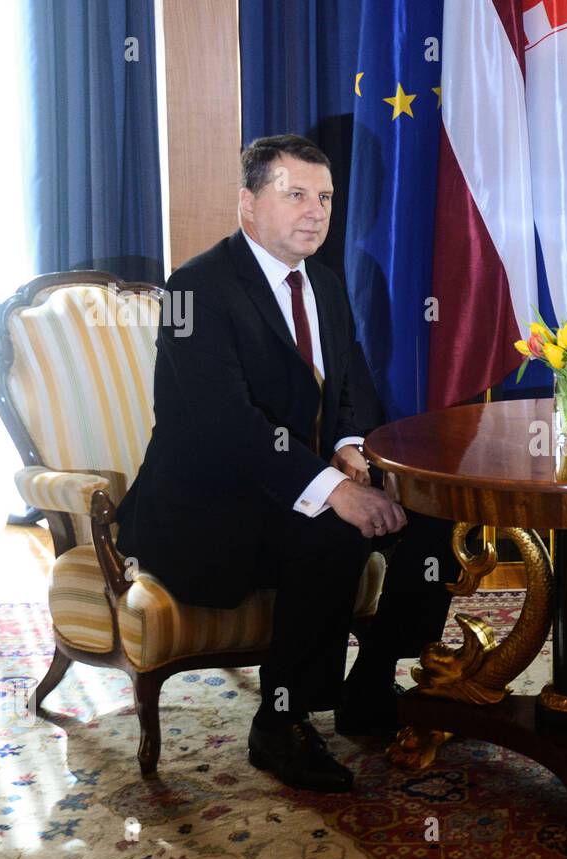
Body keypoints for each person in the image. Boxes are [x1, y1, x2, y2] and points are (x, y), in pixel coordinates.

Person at [116, 134, 459, 793]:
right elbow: (226, 425)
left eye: (325, 197)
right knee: (335, 529)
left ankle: (371, 682)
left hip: (293, 487)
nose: (315, 211)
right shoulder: (192, 290)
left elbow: (352, 389)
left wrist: (351, 448)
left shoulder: (325, 285)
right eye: (295, 194)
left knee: (434, 523)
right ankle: (280, 721)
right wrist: (333, 490)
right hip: (208, 509)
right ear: (249, 204)